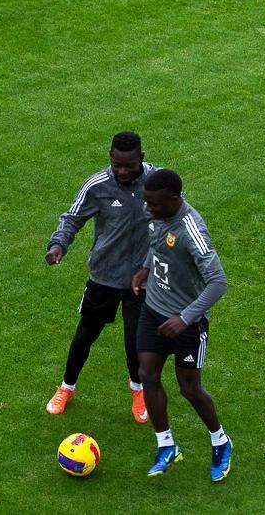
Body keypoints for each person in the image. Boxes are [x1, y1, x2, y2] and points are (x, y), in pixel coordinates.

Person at [44, 131, 156, 423]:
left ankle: (138, 390)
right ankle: (66, 387)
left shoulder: (156, 183)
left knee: (136, 342)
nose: (122, 171)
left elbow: (174, 218)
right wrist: (58, 246)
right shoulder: (97, 186)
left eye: (129, 165)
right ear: (110, 158)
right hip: (104, 277)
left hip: (143, 280)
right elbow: (72, 218)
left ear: (141, 159)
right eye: (117, 165)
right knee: (85, 335)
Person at [131, 168, 233, 482]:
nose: (148, 208)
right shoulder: (156, 213)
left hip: (187, 324)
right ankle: (166, 445)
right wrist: (146, 269)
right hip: (153, 310)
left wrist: (185, 318)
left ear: (174, 199)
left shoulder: (192, 231)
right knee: (147, 374)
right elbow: (156, 242)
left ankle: (220, 441)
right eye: (146, 201)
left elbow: (218, 282)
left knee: (189, 388)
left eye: (154, 203)